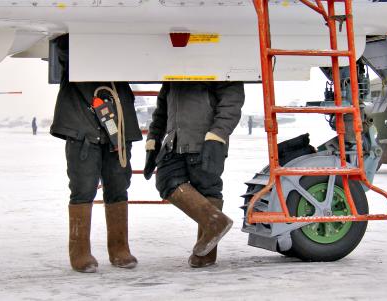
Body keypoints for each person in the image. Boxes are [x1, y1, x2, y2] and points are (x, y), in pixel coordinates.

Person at [50, 34, 143, 273]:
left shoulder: (119, 61)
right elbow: (64, 48)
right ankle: (80, 252)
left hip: (117, 133)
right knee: (82, 189)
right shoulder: (72, 52)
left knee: (118, 187)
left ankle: (120, 249)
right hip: (83, 133)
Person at [144, 82, 244, 268]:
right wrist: (153, 139)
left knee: (208, 189)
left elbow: (232, 102)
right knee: (167, 181)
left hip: (206, 142)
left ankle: (206, 254)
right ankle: (216, 223)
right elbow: (161, 111)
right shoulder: (174, 73)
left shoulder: (221, 65)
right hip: (174, 141)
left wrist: (217, 135)